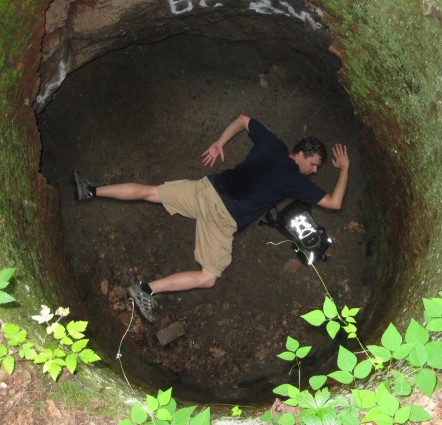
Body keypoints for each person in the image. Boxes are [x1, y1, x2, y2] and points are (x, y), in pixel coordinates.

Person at [72, 114, 349, 323]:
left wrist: (219, 143)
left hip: (208, 189)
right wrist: (344, 169)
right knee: (207, 278)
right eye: (313, 164)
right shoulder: (295, 180)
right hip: (222, 217)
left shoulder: (272, 143)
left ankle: (90, 190)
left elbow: (242, 119)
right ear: (301, 154)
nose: (313, 171)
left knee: (151, 192)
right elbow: (334, 202)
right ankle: (145, 290)